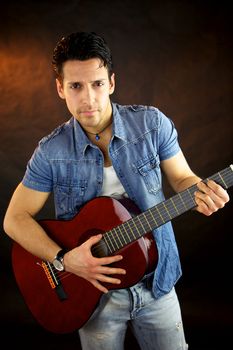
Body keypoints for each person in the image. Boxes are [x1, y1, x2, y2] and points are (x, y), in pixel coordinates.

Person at [3, 31, 230, 350]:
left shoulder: (152, 124)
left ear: (111, 82)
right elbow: (14, 219)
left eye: (96, 84)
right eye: (75, 86)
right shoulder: (50, 151)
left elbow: (182, 179)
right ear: (60, 88)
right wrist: (65, 260)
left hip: (157, 284)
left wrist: (201, 192)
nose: (88, 99)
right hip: (91, 294)